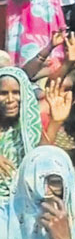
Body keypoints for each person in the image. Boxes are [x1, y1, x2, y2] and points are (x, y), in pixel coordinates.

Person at [0, 67, 43, 199]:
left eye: (16, 92)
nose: (10, 99)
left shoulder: (28, 130)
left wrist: (56, 123)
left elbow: (41, 156)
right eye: (3, 93)